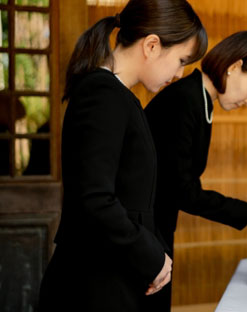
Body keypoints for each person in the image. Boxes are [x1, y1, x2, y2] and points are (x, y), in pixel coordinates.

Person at [38, 1, 208, 311]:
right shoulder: (102, 95)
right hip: (94, 284)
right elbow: (94, 199)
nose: (179, 73)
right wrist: (152, 256)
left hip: (113, 277)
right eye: (181, 60)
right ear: (152, 45)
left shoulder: (119, 96)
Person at [144, 30, 247, 310]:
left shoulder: (200, 100)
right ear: (235, 67)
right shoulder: (185, 100)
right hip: (143, 234)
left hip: (155, 231)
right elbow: (183, 191)